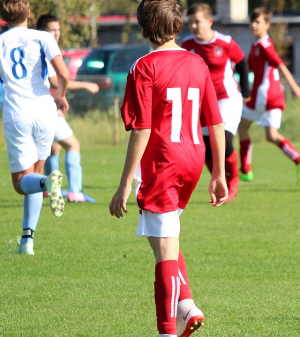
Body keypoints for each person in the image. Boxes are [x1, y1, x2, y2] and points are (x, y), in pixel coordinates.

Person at [108, 0, 227, 336]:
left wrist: (125, 182)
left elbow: (141, 128)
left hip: (163, 162)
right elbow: (215, 122)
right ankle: (186, 306)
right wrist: (217, 172)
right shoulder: (197, 63)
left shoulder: (143, 66)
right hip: (192, 160)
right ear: (178, 25)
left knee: (163, 253)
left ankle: (166, 331)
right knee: (165, 240)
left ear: (145, 27)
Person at [0, 0, 71, 255]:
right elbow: (64, 75)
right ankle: (27, 242)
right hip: (45, 111)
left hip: (18, 114)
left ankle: (49, 182)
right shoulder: (43, 37)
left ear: (2, 15)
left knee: (22, 183)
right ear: (29, 13)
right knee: (35, 177)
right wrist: (60, 96)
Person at [181, 3, 250, 203]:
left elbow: (242, 63)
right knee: (205, 149)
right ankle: (221, 181)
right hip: (202, 102)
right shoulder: (187, 45)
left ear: (209, 21)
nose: (194, 26)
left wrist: (246, 91)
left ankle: (234, 179)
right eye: (191, 22)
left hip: (226, 99)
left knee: (224, 142)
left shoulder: (225, 42)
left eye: (198, 22)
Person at [239, 7, 300, 186]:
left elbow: (280, 65)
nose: (254, 25)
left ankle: (246, 170)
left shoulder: (264, 44)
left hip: (264, 94)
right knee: (271, 135)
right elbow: (247, 68)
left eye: (258, 22)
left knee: (242, 127)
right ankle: (299, 160)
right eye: (252, 22)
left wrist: (295, 87)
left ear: (267, 25)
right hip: (272, 96)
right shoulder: (256, 44)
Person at [36, 14, 99, 203]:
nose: (56, 33)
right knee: (73, 145)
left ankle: (51, 189)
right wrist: (85, 85)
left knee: (53, 147)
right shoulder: (46, 49)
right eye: (51, 30)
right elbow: (56, 80)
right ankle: (75, 192)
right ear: (42, 32)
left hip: (38, 108)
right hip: (44, 109)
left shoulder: (36, 48)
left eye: (57, 29)